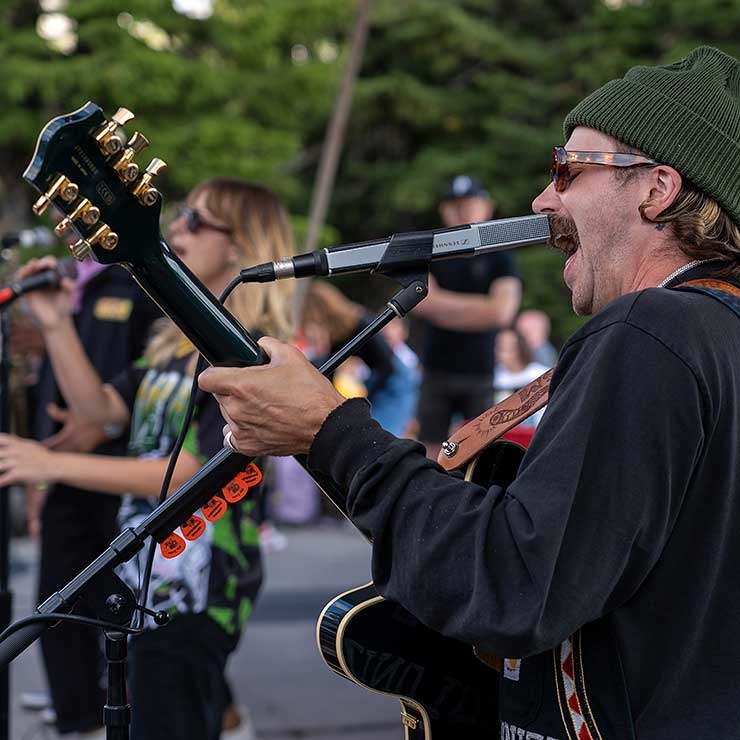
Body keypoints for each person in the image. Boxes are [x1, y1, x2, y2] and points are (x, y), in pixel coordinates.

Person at [197, 46, 740, 737]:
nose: (544, 199)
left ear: (657, 189)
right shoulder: (712, 333)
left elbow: (516, 586)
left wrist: (330, 432)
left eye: (567, 169)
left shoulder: (650, 329)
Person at [0, 177, 296, 740]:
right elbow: (100, 413)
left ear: (241, 245)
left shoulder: (250, 348)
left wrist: (50, 464)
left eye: (195, 220)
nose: (176, 228)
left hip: (200, 584)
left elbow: (195, 472)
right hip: (149, 575)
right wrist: (57, 322)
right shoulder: (172, 341)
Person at [20, 250, 161, 736]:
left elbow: (117, 407)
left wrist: (89, 434)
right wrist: (44, 470)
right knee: (56, 606)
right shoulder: (69, 284)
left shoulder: (144, 281)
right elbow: (81, 401)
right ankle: (77, 714)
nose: (66, 221)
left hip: (129, 475)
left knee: (149, 626)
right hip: (68, 468)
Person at [412, 175, 522, 459]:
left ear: (486, 206)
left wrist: (442, 308)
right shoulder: (430, 252)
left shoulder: (499, 255)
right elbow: (420, 301)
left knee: (481, 451)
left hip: (479, 372)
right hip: (436, 368)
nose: (462, 212)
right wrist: (481, 309)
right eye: (455, 205)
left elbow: (502, 312)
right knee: (429, 449)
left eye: (469, 204)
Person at [492, 326, 549, 430]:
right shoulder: (495, 377)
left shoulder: (540, 375)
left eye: (504, 346)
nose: (498, 350)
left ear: (519, 347)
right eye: (498, 345)